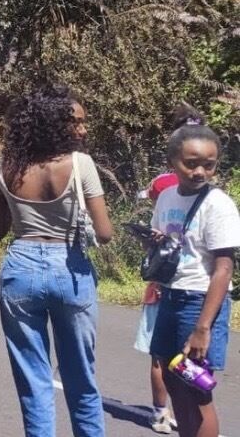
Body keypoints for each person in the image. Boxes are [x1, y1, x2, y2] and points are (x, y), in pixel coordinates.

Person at [0, 85, 113, 437]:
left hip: (20, 267)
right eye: (78, 123)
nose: (84, 129)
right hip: (69, 267)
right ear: (55, 124)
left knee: (33, 378)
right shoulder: (80, 164)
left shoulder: (3, 165)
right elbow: (105, 233)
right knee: (81, 378)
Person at [147, 113, 236, 437]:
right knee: (173, 379)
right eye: (191, 162)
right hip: (171, 296)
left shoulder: (218, 205)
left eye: (209, 164)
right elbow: (162, 237)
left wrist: (202, 328)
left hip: (199, 303)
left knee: (196, 390)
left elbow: (224, 268)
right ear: (173, 160)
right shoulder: (168, 196)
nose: (200, 171)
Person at [136, 169, 179, 434]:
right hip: (193, 294)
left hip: (158, 292)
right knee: (184, 357)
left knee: (159, 358)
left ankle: (161, 413)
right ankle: (183, 411)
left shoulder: (162, 216)